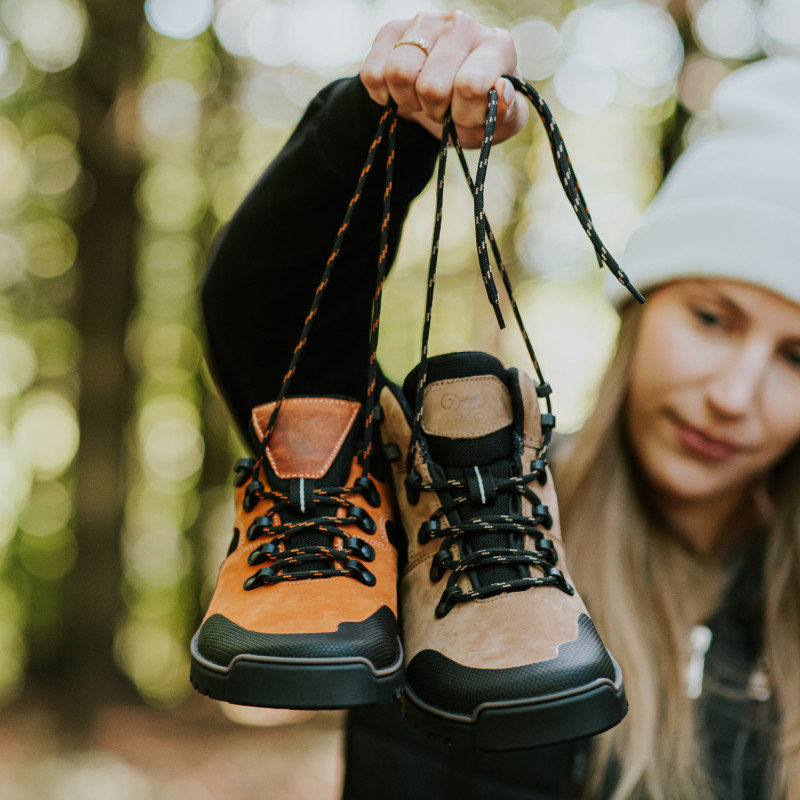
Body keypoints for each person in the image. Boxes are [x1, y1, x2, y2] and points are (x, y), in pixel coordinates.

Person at [198, 9, 800, 799]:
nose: (731, 395)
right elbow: (277, 325)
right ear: (637, 308)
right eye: (712, 318)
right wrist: (389, 130)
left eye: (795, 358)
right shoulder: (431, 507)